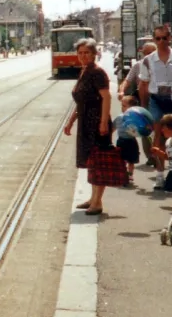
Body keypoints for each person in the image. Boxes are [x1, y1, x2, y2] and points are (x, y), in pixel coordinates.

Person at [63, 38, 112, 216]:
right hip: (86, 122)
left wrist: (104, 122)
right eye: (80, 53)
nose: (83, 56)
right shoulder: (85, 71)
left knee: (98, 162)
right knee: (92, 163)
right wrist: (71, 121)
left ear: (94, 54)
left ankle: (97, 202)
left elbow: (106, 97)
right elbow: (82, 101)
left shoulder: (97, 72)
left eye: (87, 53)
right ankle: (93, 198)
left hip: (97, 122)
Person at [139, 26, 172, 190]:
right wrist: (143, 106)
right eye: (157, 38)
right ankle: (160, 175)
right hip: (157, 100)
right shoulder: (148, 60)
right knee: (158, 137)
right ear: (154, 40)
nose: (161, 42)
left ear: (170, 39)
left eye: (164, 38)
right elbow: (144, 84)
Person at [113, 98, 153, 183]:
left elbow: (144, 129)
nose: (122, 108)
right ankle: (122, 174)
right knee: (121, 160)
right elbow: (112, 128)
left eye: (124, 106)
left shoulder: (137, 119)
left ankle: (130, 174)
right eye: (122, 106)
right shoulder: (119, 118)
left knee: (131, 161)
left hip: (131, 141)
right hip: (121, 141)